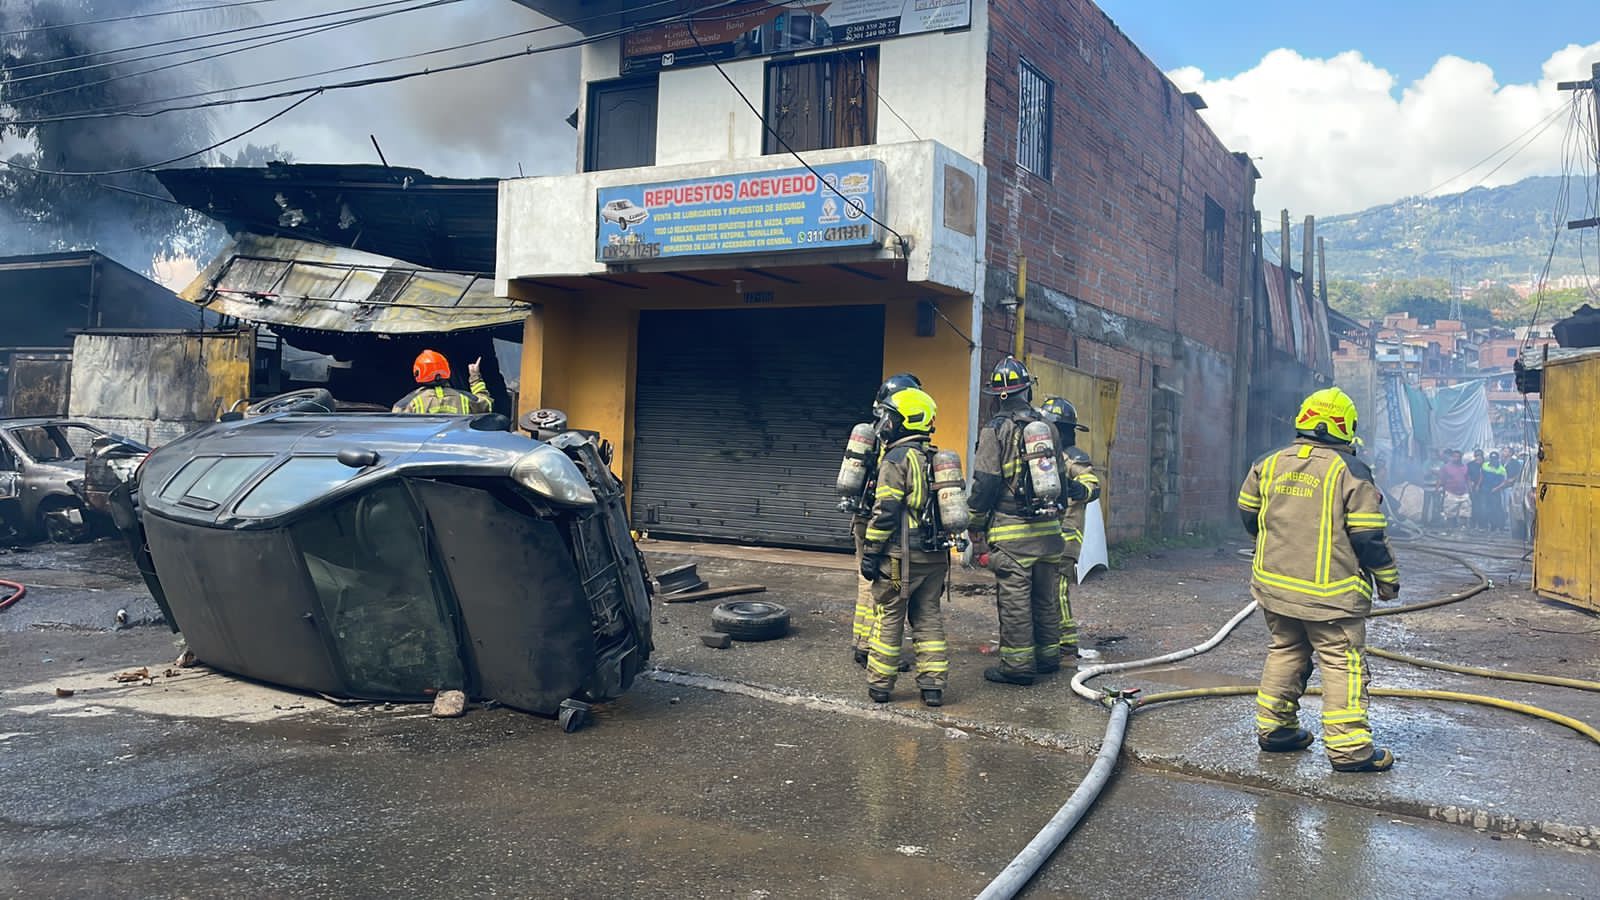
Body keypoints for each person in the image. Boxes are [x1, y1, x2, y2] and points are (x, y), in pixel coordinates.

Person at [1237, 386, 1400, 773]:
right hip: (1331, 597)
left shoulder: (1269, 462)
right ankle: (1350, 751)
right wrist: (1387, 579)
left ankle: (1275, 730)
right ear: (1346, 429)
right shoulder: (1352, 471)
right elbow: (1367, 536)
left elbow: (1248, 514)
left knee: (1286, 650)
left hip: (1275, 586)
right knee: (1341, 662)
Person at [968, 357, 1089, 686]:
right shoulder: (1047, 428)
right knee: (1044, 596)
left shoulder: (996, 430)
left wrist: (974, 523)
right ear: (1028, 391)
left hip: (1012, 534)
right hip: (1050, 531)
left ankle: (1018, 667)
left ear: (997, 396)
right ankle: (1048, 658)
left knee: (1016, 599)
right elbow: (1061, 479)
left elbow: (986, 482)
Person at [858, 387, 950, 708]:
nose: (886, 424)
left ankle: (881, 686)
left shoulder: (896, 459)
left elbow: (885, 511)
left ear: (908, 420)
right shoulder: (935, 457)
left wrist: (871, 552)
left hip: (899, 561)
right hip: (935, 560)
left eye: (892, 418)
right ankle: (933, 687)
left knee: (890, 613)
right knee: (928, 616)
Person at [850, 372, 923, 669]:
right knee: (884, 584)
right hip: (881, 521)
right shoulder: (894, 437)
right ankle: (874, 649)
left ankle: (861, 643)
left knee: (864, 580)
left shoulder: (870, 431)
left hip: (862, 515)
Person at [1038, 396, 1102, 661]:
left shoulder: (1072, 458)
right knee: (1042, 589)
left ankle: (1066, 644)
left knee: (1058, 589)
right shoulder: (1042, 453)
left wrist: (1075, 487)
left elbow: (1092, 485)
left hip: (1067, 535)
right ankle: (1046, 638)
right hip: (1044, 534)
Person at [393, 350, 492, 414]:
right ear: (447, 371)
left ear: (417, 373)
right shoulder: (463, 398)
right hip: (457, 445)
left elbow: (395, 424)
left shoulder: (407, 403)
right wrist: (475, 377)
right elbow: (487, 404)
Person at [1439, 450, 1470, 532]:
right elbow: (1441, 479)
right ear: (1452, 457)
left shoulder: (1465, 467)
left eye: (1458, 457)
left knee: (1465, 512)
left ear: (1461, 457)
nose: (1456, 458)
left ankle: (1463, 528)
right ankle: (1450, 528)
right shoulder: (1446, 467)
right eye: (1455, 456)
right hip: (1451, 492)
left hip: (1464, 492)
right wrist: (1439, 489)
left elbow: (1467, 479)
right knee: (1450, 512)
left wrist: (1469, 490)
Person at [1481, 451, 1508, 532]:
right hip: (1485, 490)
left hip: (1496, 492)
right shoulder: (1485, 465)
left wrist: (1496, 488)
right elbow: (1481, 475)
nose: (1494, 460)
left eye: (1495, 459)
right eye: (1492, 459)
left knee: (1496, 509)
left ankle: (1498, 526)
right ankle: (1488, 525)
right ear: (1490, 459)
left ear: (1498, 459)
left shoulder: (1502, 469)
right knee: (1486, 508)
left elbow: (1504, 482)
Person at [1466, 449, 1486, 531]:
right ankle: (1473, 524)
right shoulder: (1470, 464)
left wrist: (1478, 485)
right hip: (1473, 488)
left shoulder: (1485, 465)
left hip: (1484, 488)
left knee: (1483, 507)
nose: (1478, 457)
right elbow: (1468, 476)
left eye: (1480, 455)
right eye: (1476, 455)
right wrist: (1470, 486)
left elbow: (1484, 475)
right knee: (1474, 506)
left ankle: (1482, 525)